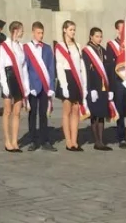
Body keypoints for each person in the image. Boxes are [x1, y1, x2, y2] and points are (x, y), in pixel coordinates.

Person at [53, 20, 88, 152]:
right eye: (70, 29)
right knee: (66, 111)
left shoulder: (78, 46)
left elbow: (81, 66)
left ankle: (75, 140)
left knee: (75, 110)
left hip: (76, 79)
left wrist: (84, 84)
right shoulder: (60, 46)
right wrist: (64, 86)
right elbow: (59, 66)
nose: (73, 32)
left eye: (74, 29)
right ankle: (68, 141)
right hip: (66, 78)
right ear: (64, 30)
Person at [22, 21, 55, 151]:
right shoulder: (26, 48)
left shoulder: (47, 48)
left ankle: (45, 140)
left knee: (43, 114)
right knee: (32, 114)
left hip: (45, 86)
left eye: (42, 33)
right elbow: (25, 69)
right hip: (33, 87)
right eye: (38, 33)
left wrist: (52, 86)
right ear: (33, 33)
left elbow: (51, 68)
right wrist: (29, 86)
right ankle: (32, 140)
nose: (41, 35)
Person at [82, 26, 114, 151]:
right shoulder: (87, 51)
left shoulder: (102, 50)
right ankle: (97, 141)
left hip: (103, 87)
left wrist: (110, 88)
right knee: (95, 114)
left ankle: (101, 140)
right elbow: (86, 71)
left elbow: (108, 69)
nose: (99, 39)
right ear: (91, 36)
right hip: (93, 87)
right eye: (97, 36)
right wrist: (90, 88)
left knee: (102, 114)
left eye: (101, 36)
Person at [0, 21, 28, 153]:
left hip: (19, 79)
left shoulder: (21, 46)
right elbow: (1, 66)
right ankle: (7, 141)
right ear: (15, 30)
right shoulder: (5, 45)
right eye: (21, 30)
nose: (23, 32)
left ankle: (15, 141)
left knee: (17, 112)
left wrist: (26, 85)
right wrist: (4, 85)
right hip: (9, 77)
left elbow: (24, 67)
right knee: (7, 111)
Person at [106, 19, 126, 148]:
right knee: (120, 110)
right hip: (118, 82)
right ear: (117, 29)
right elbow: (110, 66)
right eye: (122, 28)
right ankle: (121, 137)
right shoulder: (111, 45)